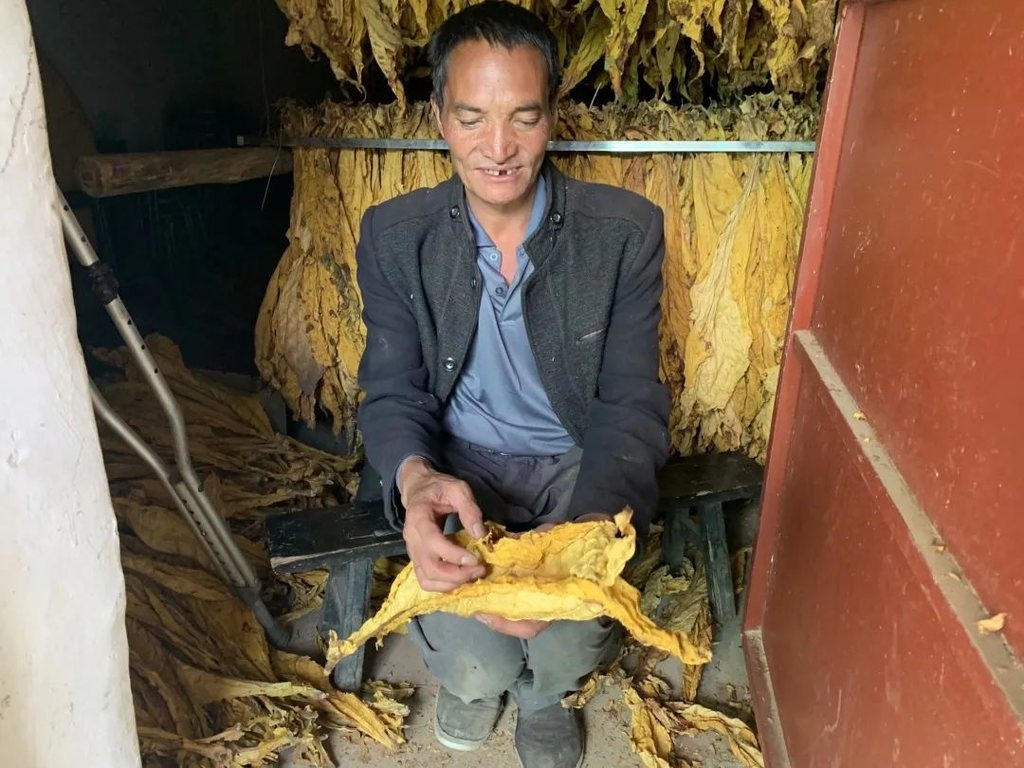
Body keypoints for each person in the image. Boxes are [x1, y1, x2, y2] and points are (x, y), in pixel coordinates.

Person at [354, 2, 670, 766]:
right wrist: (417, 480)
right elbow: (392, 391)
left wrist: (577, 549)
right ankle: (477, 688)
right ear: (438, 116)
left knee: (568, 634)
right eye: (472, 119)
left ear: (552, 115)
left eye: (523, 119)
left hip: (577, 465)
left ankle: (546, 697)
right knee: (475, 657)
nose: (498, 149)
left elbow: (630, 403)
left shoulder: (624, 232)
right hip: (459, 467)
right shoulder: (394, 237)